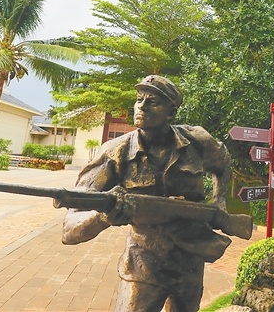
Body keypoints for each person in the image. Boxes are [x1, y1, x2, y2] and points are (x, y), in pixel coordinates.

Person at [62, 75, 232, 312]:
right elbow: (70, 228)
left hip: (190, 258)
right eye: (139, 99)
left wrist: (220, 201)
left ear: (171, 113)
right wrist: (102, 217)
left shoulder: (197, 141)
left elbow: (222, 164)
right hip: (143, 261)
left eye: (152, 102)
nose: (141, 107)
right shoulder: (115, 153)